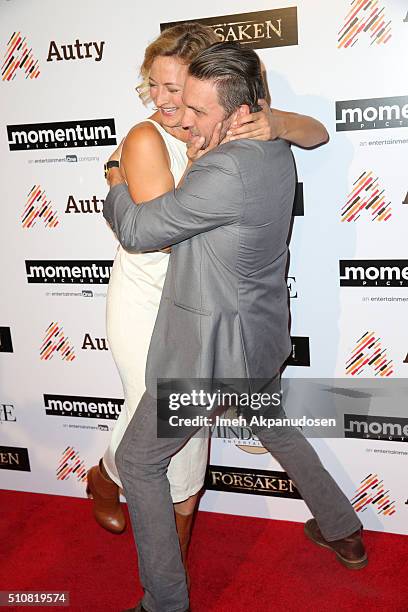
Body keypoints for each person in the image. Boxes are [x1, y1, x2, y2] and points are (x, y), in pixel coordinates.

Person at [103, 41, 366, 612]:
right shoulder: (274, 147)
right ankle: (342, 527)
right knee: (274, 427)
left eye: (198, 111)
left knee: (140, 464)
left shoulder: (224, 167)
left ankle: (164, 603)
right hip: (257, 342)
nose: (185, 120)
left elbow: (141, 230)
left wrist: (116, 177)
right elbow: (305, 133)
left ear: (241, 111)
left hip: (208, 358)